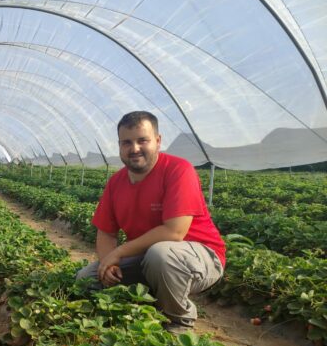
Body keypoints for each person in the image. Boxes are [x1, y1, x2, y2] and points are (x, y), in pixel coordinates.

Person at [76, 111, 225, 331]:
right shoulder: (116, 182)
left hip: (200, 258)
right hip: (148, 258)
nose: (134, 148)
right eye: (127, 142)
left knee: (162, 255)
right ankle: (140, 313)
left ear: (157, 141)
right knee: (86, 279)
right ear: (119, 146)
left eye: (142, 140)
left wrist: (119, 253)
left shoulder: (178, 169)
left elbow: (174, 232)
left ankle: (178, 322)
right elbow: (106, 232)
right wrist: (109, 263)